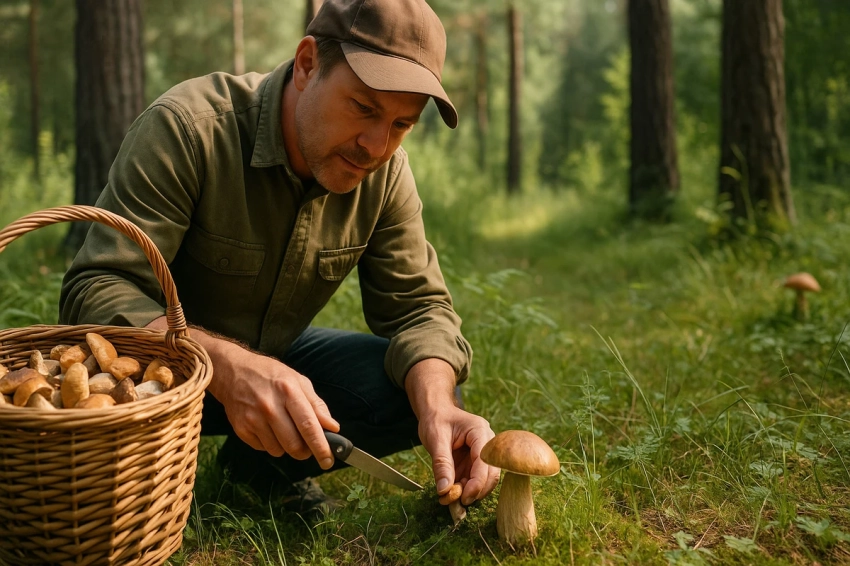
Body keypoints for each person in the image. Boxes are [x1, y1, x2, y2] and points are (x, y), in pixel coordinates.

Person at [59, 0, 500, 512]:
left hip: (275, 364)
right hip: (154, 377)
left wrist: (438, 407)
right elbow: (94, 288)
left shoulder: (386, 173)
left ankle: (257, 472)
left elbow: (421, 311)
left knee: (422, 389)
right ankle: (154, 476)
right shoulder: (189, 128)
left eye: (402, 124)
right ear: (308, 62)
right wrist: (226, 367)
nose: (376, 146)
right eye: (363, 107)